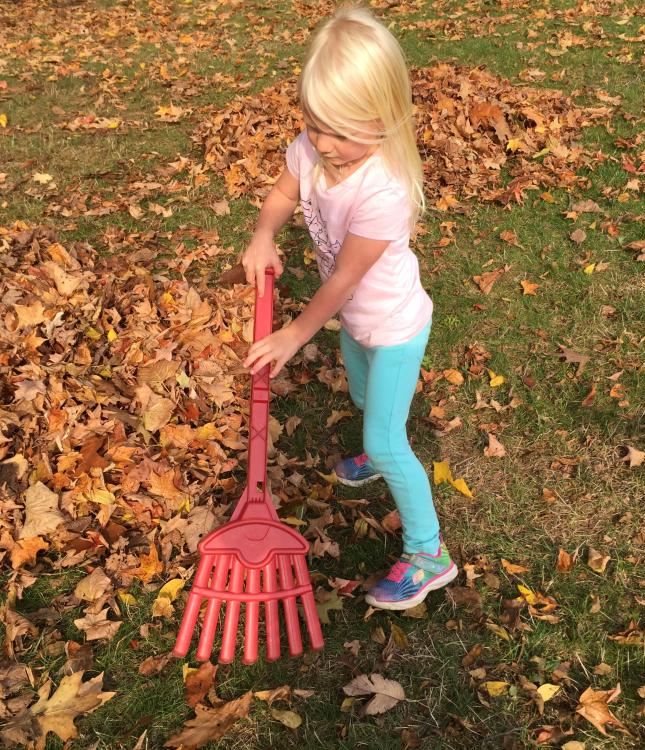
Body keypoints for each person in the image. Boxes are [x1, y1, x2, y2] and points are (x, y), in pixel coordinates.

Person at [241, 5, 457, 610]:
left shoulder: (385, 190)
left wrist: (294, 333)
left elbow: (341, 280)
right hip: (358, 325)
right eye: (315, 126)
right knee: (364, 402)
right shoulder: (316, 148)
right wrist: (262, 235)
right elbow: (284, 191)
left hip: (391, 327)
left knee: (390, 441)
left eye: (341, 132)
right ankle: (371, 446)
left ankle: (428, 553)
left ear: (386, 121)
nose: (325, 146)